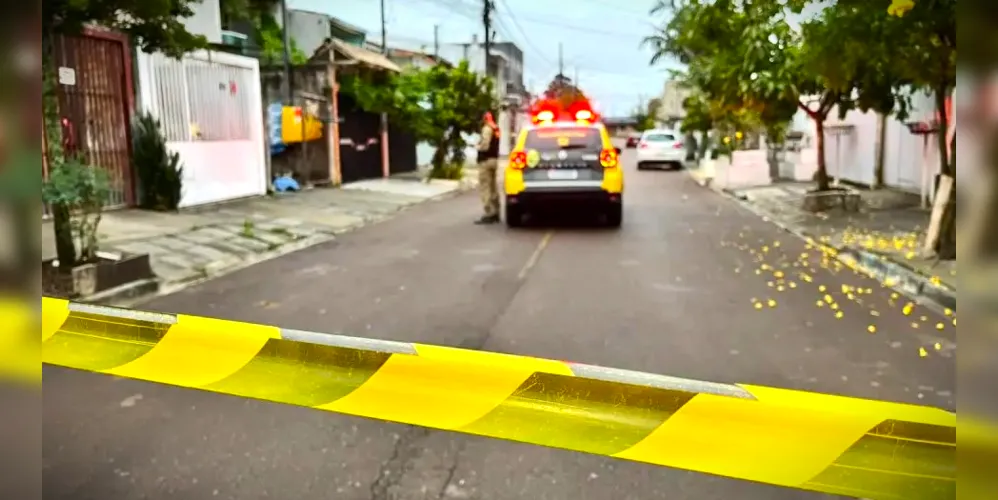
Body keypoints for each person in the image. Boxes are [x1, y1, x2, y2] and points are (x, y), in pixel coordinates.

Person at [474, 110, 501, 224]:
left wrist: (477, 146)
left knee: (485, 187)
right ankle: (496, 212)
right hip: (494, 160)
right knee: (493, 187)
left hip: (486, 161)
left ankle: (488, 213)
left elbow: (485, 145)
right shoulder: (496, 128)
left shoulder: (487, 128)